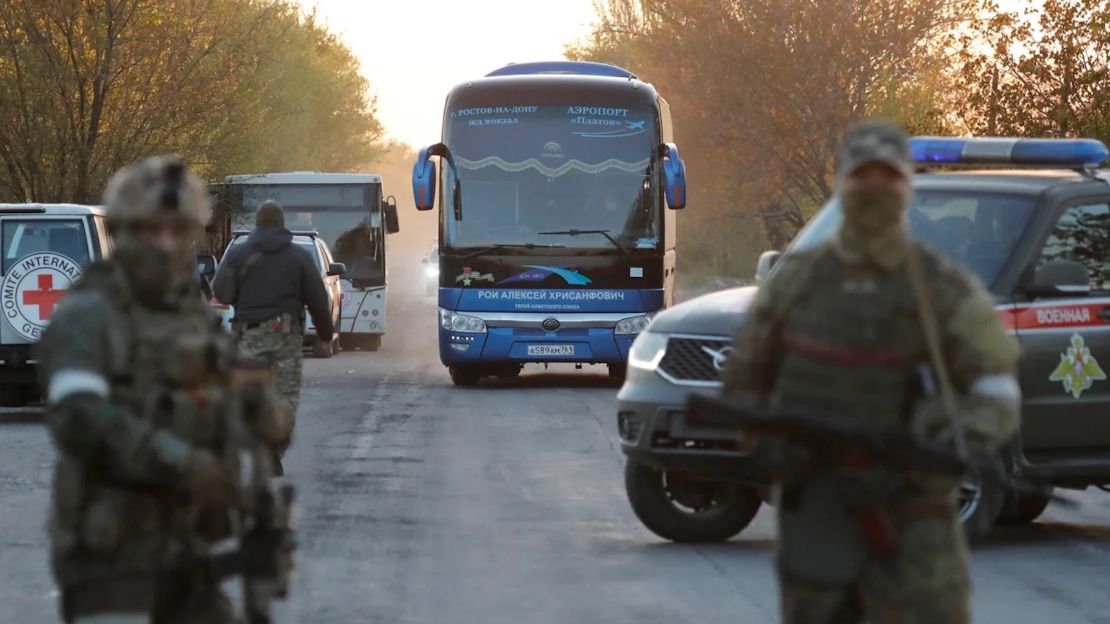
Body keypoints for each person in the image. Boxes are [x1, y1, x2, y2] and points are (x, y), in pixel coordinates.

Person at [722, 121, 1021, 623]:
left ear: (906, 186)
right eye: (863, 177)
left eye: (888, 176)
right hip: (817, 509)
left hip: (916, 511)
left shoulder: (939, 286)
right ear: (843, 184)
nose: (875, 189)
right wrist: (778, 451)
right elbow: (743, 381)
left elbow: (994, 388)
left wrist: (944, 441)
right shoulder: (795, 282)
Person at [38, 156, 285, 622]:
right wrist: (182, 462)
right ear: (125, 232)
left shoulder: (188, 314)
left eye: (177, 232)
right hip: (113, 557)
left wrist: (261, 414)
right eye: (152, 231)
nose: (165, 245)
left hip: (190, 551)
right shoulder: (90, 313)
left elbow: (234, 387)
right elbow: (79, 416)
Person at [213, 200, 333, 474]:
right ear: (281, 224)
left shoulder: (238, 255)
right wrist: (325, 334)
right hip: (285, 335)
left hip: (249, 335)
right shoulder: (299, 257)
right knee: (285, 395)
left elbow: (222, 292)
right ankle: (273, 450)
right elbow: (318, 299)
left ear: (257, 223)